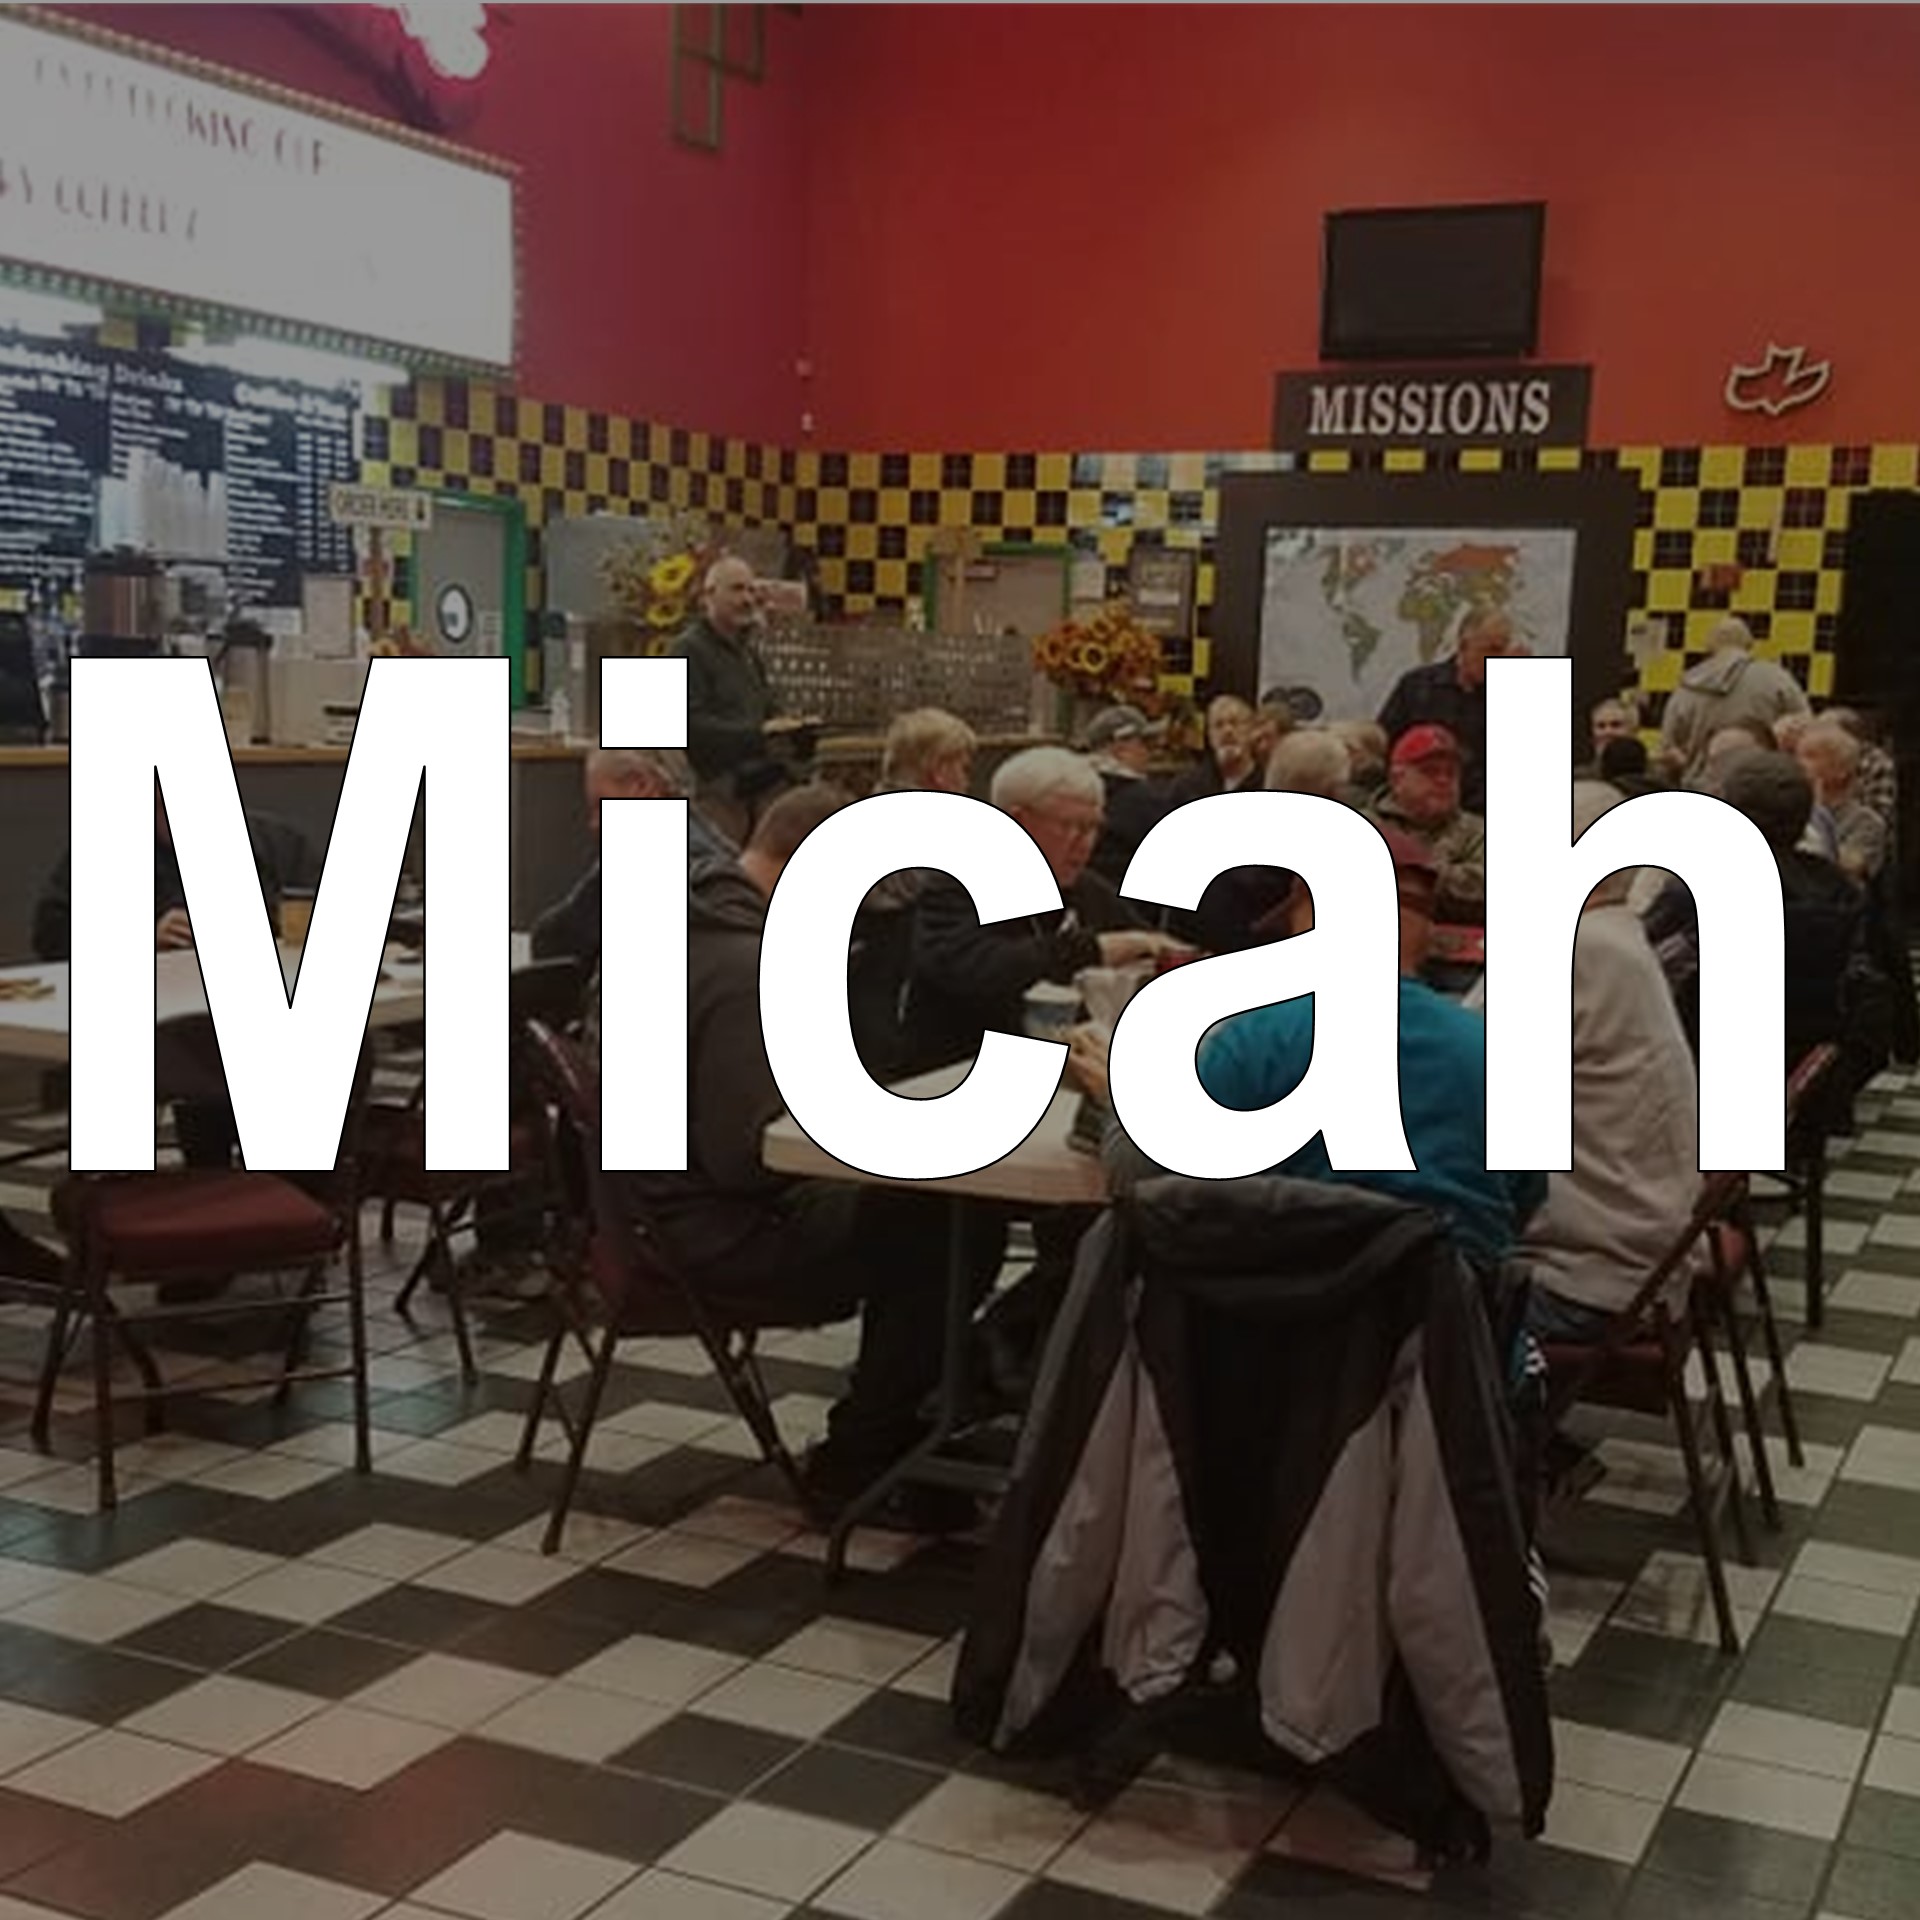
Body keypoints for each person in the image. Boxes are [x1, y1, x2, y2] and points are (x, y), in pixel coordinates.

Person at [586, 779, 990, 1530]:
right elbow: (749, 1157)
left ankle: (903, 1423)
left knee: (926, 1213)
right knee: (946, 1227)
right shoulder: (748, 968)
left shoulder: (674, 924)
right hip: (707, 1231)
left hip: (642, 1210)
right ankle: (865, 1453)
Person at [1070, 828, 1544, 1272]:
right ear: (1426, 932)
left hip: (1271, 1320)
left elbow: (1139, 1182)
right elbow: (1527, 1201)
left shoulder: (1252, 1040)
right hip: (1452, 1322)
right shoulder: (1501, 1058)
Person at [1516, 783, 1702, 1344]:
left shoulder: (1572, 950)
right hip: (1643, 1259)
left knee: (1370, 1289)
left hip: (1584, 1283)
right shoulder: (1619, 937)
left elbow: (1459, 1071)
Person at [904, 747, 1173, 1070]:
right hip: (958, 1071)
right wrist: (1092, 950)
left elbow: (1149, 940)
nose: (1086, 843)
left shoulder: (1084, 887)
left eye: (1093, 828)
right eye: (1071, 826)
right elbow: (977, 969)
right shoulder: (956, 885)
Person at [847, 711, 977, 1080]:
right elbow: (910, 891)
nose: (967, 780)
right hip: (888, 963)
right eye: (963, 768)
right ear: (939, 770)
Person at [529, 747, 728, 974]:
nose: (593, 824)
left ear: (640, 785)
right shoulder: (718, 849)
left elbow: (555, 942)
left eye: (600, 805)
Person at [670, 555, 811, 841]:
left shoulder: (747, 653)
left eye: (750, 590)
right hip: (715, 793)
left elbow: (767, 707)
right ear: (709, 595)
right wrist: (756, 734)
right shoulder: (686, 650)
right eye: (736, 589)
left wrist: (790, 726)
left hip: (755, 785)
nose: (747, 599)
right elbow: (684, 725)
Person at [1376, 607, 1516, 814]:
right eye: (1492, 651)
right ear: (1464, 645)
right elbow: (1384, 747)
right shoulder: (1417, 687)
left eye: (1505, 652)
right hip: (1418, 807)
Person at [1659, 616, 1809, 782]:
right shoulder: (1777, 679)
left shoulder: (1686, 687)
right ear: (1749, 645)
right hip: (1764, 784)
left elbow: (1668, 750)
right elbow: (1806, 732)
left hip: (1700, 785)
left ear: (1710, 647)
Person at [1366, 725, 1487, 925]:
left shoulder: (1478, 832)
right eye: (1430, 771)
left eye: (1451, 773)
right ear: (1397, 779)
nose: (1443, 780)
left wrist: (1414, 872)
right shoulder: (1365, 826)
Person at [1082, 704, 1171, 889]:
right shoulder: (1142, 800)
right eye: (1145, 744)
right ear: (1120, 747)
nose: (1150, 753)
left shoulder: (1071, 791)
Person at [1797, 720, 1887, 885]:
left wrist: (1817, 812)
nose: (1798, 764)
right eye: (1797, 755)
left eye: (1811, 756)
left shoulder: (1867, 822)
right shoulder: (1790, 812)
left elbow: (1843, 867)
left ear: (1841, 770)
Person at [1169, 694, 1261, 802]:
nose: (1227, 731)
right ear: (1209, 735)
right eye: (1218, 725)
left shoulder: (1268, 784)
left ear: (1251, 730)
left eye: (1235, 723)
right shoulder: (1187, 788)